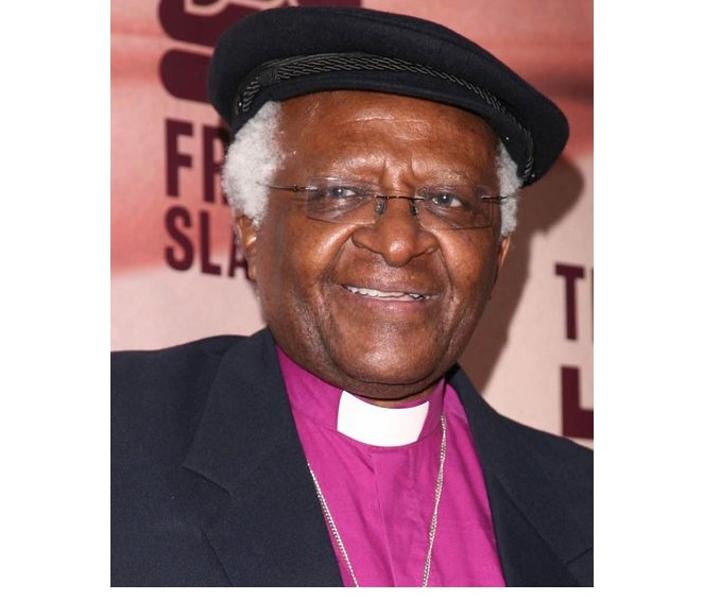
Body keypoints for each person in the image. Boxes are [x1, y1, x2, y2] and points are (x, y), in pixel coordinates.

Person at [112, 6, 592, 587]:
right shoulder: (114, 434)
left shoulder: (589, 506)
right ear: (252, 228)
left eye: (447, 200)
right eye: (341, 192)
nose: (399, 242)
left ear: (498, 254)